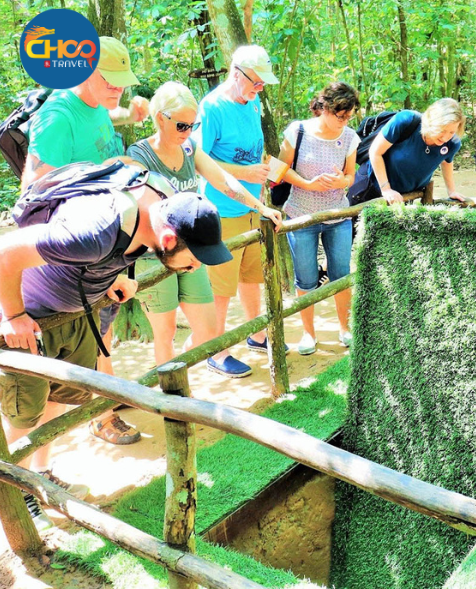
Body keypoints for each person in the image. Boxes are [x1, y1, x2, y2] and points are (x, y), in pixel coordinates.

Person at [0, 169, 233, 529]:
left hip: (77, 314)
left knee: (60, 398)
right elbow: (6, 250)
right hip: (30, 319)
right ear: (169, 240)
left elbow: (120, 251)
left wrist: (113, 277)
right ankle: (16, 494)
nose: (196, 265)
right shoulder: (93, 232)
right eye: (194, 256)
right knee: (22, 414)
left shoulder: (157, 208)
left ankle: (40, 475)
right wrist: (14, 315)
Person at [19, 36, 147, 446]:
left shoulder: (100, 107)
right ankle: (102, 416)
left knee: (102, 338)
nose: (119, 89)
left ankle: (103, 404)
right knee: (84, 345)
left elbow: (101, 128)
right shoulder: (57, 116)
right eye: (111, 81)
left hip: (103, 254)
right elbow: (33, 191)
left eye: (123, 82)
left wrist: (129, 114)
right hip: (72, 257)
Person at [128, 82, 282, 375]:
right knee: (166, 330)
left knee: (206, 328)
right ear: (160, 118)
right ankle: (175, 400)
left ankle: (200, 360)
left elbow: (223, 180)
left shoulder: (189, 147)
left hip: (191, 251)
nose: (188, 132)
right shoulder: (139, 156)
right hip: (155, 253)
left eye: (193, 125)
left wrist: (260, 207)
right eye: (182, 125)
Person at [192, 45, 282, 378]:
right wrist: (244, 173)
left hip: (251, 205)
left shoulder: (253, 101)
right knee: (220, 287)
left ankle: (256, 335)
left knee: (250, 276)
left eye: (262, 85)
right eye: (256, 82)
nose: (260, 89)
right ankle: (217, 351)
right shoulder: (212, 108)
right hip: (221, 210)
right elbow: (199, 161)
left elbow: (251, 152)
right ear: (236, 72)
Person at [277, 83, 360, 355]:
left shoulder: (349, 137)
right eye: (341, 115)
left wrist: (342, 181)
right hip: (301, 214)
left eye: (349, 116)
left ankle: (345, 328)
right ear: (324, 108)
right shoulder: (298, 131)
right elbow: (280, 169)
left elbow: (351, 175)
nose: (345, 121)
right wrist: (307, 184)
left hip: (338, 213)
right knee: (306, 278)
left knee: (340, 274)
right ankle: (308, 333)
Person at [358, 98, 466, 204]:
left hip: (402, 197)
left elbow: (446, 162)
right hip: (369, 185)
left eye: (451, 132)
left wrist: (451, 191)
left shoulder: (452, 143)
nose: (445, 137)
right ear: (432, 122)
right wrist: (386, 189)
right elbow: (375, 152)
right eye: (442, 130)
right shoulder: (406, 120)